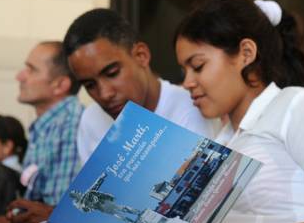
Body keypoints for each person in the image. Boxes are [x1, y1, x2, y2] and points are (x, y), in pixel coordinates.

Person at [5, 0, 304, 223]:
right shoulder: (223, 135)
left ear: (245, 53)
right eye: (184, 70)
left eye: (198, 66)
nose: (187, 82)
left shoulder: (297, 105)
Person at [62, 8, 220, 164]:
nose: (105, 94)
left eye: (112, 73)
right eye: (90, 85)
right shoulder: (92, 120)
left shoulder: (192, 109)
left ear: (141, 56)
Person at [4, 41, 84, 223]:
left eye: (31, 70)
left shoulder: (70, 126)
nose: (19, 76)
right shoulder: (48, 126)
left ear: (60, 85)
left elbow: (56, 219)